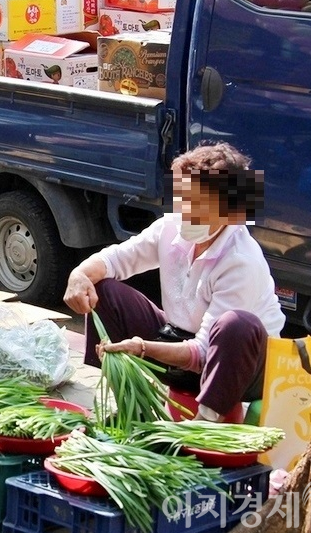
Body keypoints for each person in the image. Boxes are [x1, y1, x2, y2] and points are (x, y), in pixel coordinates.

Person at [63, 143, 285, 423]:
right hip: (180, 344)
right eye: (183, 199)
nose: (186, 212)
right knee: (103, 289)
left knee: (236, 325)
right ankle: (132, 409)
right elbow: (117, 259)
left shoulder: (241, 260)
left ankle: (205, 424)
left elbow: (202, 352)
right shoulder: (171, 227)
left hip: (237, 368)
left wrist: (142, 347)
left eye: (199, 205)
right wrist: (79, 274)